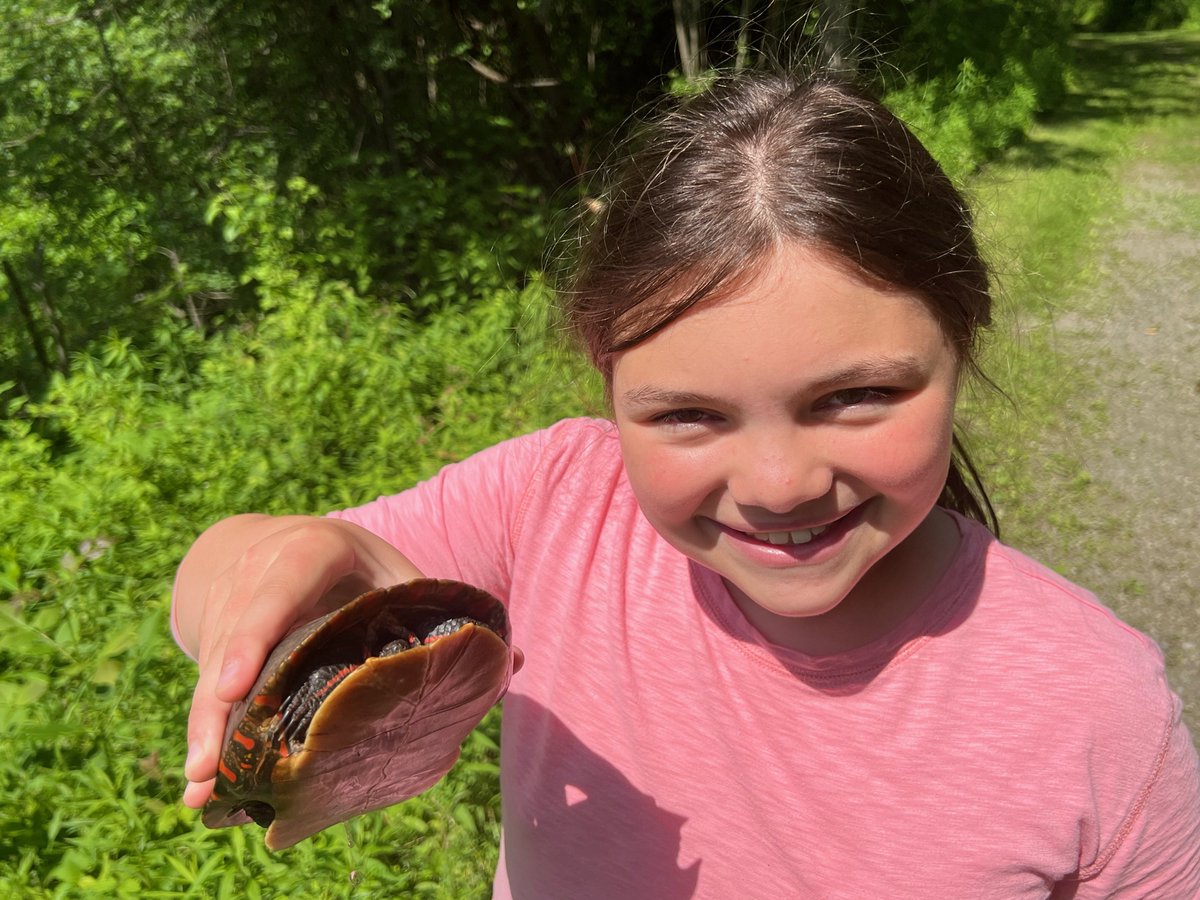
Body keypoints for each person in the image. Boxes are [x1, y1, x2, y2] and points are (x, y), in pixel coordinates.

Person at [173, 74, 1200, 897]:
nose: (779, 484)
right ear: (607, 383)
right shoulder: (557, 508)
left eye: (857, 396)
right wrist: (251, 573)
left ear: (963, 342)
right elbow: (220, 581)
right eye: (689, 416)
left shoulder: (1096, 709)